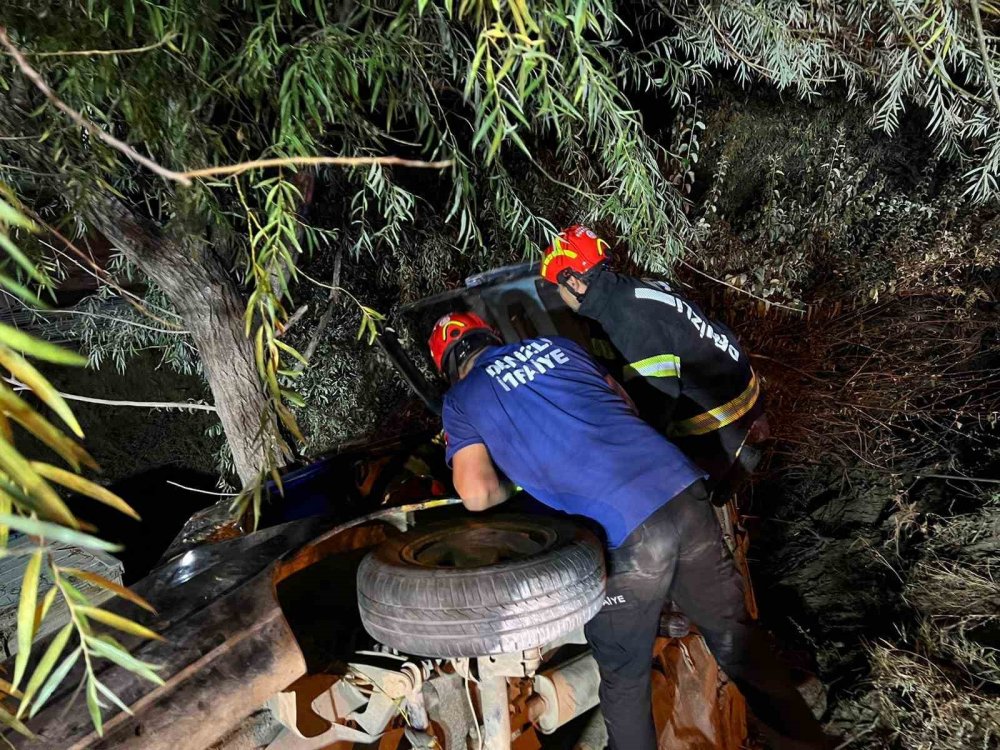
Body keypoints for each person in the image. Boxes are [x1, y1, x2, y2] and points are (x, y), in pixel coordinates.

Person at [428, 311, 832, 750]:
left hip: (627, 534)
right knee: (737, 640)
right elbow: (626, 405)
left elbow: (477, 494)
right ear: (491, 334)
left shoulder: (463, 398)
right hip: (683, 491)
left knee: (625, 679)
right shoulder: (558, 347)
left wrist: (517, 475)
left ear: (448, 367)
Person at [540, 225, 767, 487]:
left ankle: (720, 479)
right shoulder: (623, 294)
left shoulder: (626, 321)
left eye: (557, 286)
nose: (558, 295)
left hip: (725, 417)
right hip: (736, 381)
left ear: (574, 281)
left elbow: (658, 403)